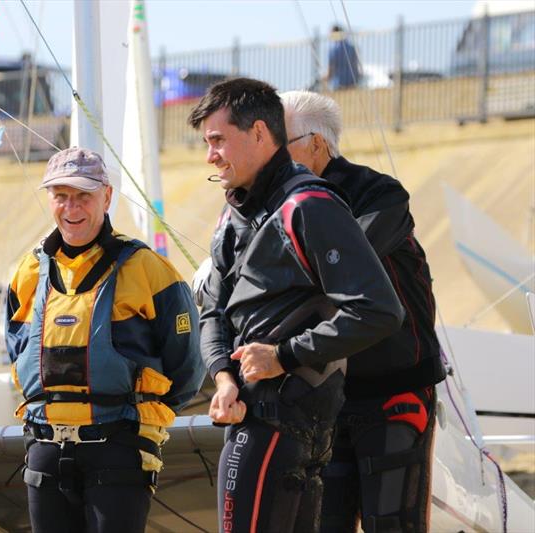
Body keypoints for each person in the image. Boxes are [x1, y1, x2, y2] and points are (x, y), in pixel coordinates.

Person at [188, 77, 404, 533]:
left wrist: (283, 356)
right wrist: (222, 377)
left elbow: (378, 310)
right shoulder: (234, 216)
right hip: (253, 413)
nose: (210, 156)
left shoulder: (309, 205)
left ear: (262, 134)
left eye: (217, 141)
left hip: (284, 423)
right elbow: (212, 311)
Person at [5, 147, 205, 533]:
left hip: (119, 447)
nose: (71, 208)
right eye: (61, 196)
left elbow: (187, 366)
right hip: (44, 446)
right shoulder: (28, 270)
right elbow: (16, 347)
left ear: (107, 197)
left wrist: (138, 418)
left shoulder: (147, 268)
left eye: (83, 196)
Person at [281, 90, 447, 533]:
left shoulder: (380, 193)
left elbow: (342, 266)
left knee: (392, 524)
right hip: (326, 395)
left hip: (396, 388)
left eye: (281, 142)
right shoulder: (272, 204)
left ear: (316, 143)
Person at [326, 25, 362, 90]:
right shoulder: (352, 48)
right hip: (353, 83)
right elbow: (356, 65)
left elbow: (330, 70)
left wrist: (325, 79)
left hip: (338, 84)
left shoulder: (333, 50)